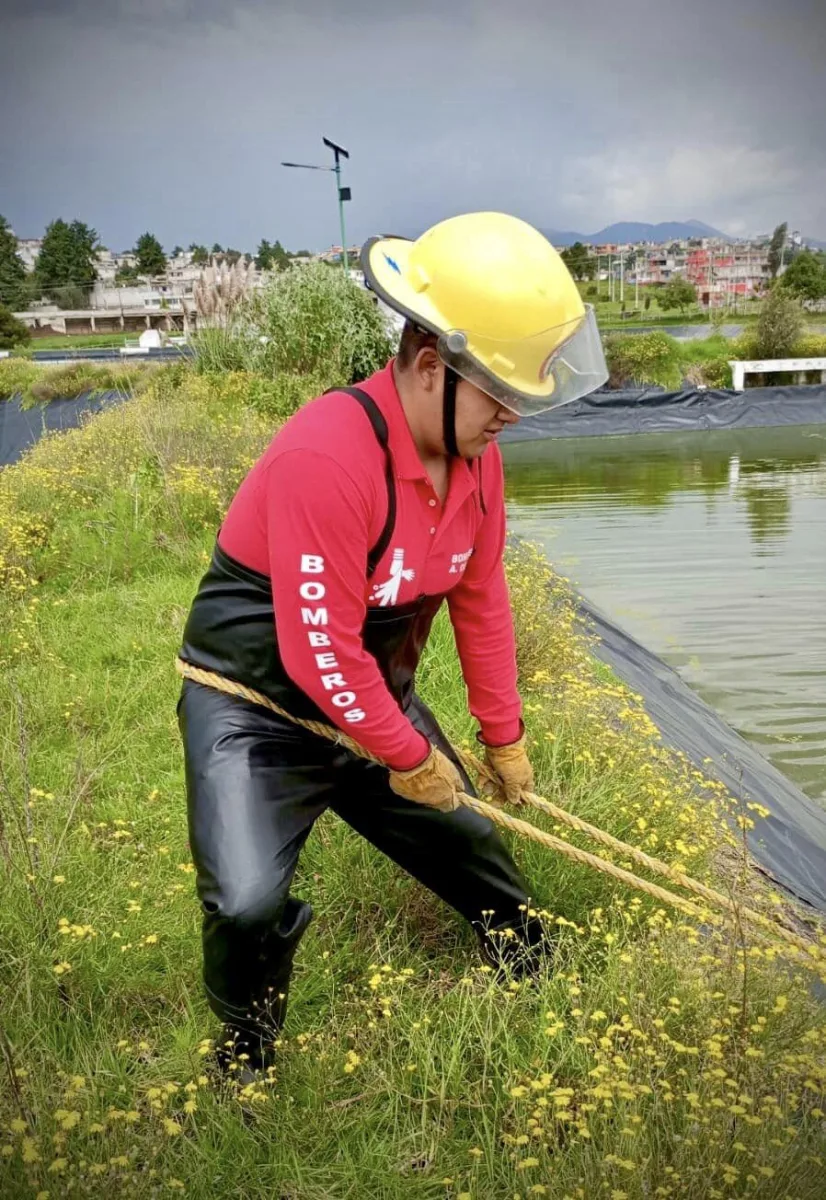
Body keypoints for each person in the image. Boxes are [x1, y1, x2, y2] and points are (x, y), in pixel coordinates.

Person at [177, 212, 608, 1078]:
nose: (512, 419)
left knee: (473, 846)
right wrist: (409, 755)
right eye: (500, 394)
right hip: (256, 708)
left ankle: (540, 974)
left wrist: (503, 738)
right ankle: (244, 1060)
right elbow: (315, 654)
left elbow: (482, 601)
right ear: (425, 368)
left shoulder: (475, 457)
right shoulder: (327, 458)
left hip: (368, 694)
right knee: (247, 903)